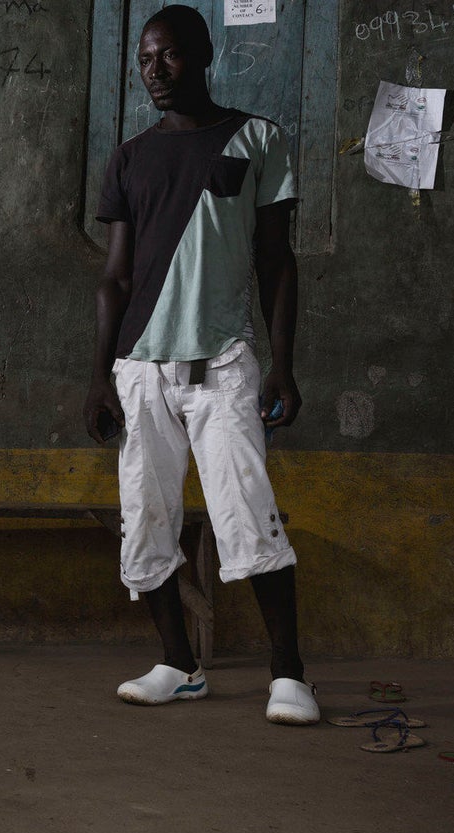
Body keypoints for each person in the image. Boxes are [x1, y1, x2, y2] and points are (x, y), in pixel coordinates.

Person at [82, 6, 318, 726]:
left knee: (247, 514)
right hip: (141, 369)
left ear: (205, 54)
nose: (155, 70)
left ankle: (289, 675)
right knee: (145, 522)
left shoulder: (257, 138)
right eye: (146, 59)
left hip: (224, 363)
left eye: (171, 56)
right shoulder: (128, 157)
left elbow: (276, 261)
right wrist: (100, 373)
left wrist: (283, 365)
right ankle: (179, 665)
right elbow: (116, 279)